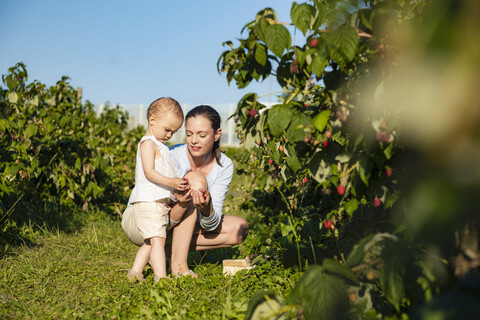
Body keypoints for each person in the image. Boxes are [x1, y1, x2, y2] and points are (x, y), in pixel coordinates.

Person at [122, 105, 249, 278]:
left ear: (217, 134)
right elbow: (151, 191)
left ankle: (162, 250)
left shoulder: (224, 166)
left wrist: (207, 207)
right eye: (189, 134)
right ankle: (178, 266)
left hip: (172, 223)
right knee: (195, 181)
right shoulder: (172, 154)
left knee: (238, 229)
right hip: (142, 219)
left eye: (202, 135)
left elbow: (210, 224)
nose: (194, 140)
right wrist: (180, 196)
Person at [126, 97, 189, 282]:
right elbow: (149, 172)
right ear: (152, 120)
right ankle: (160, 277)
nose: (169, 135)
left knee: (150, 241)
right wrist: (172, 182)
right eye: (167, 129)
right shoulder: (148, 144)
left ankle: (135, 272)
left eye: (174, 132)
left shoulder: (160, 145)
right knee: (158, 241)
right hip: (149, 201)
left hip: (157, 202)